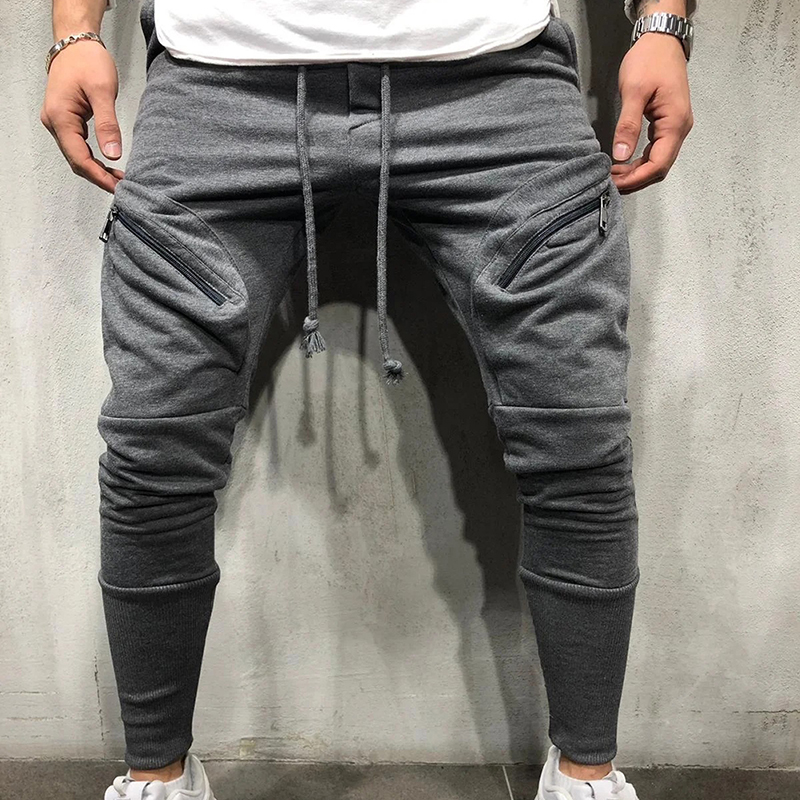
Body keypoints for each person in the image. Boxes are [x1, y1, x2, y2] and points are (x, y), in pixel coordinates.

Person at [40, 0, 695, 797]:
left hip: (496, 79)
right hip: (219, 81)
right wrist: (74, 30)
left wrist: (662, 22)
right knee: (154, 442)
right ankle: (157, 778)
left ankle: (587, 774)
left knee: (578, 433)